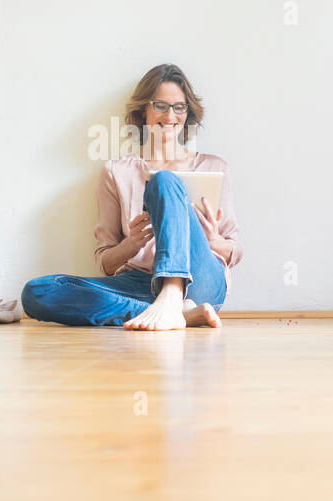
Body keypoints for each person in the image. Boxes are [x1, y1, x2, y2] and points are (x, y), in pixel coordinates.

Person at [20, 63, 243, 330]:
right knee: (38, 292)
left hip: (201, 280)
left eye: (179, 107)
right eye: (160, 105)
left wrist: (214, 241)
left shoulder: (214, 167)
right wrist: (132, 244)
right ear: (143, 110)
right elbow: (105, 260)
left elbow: (235, 249)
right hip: (141, 283)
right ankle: (175, 313)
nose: (170, 115)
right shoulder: (117, 171)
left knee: (163, 180)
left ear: (187, 112)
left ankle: (172, 295)